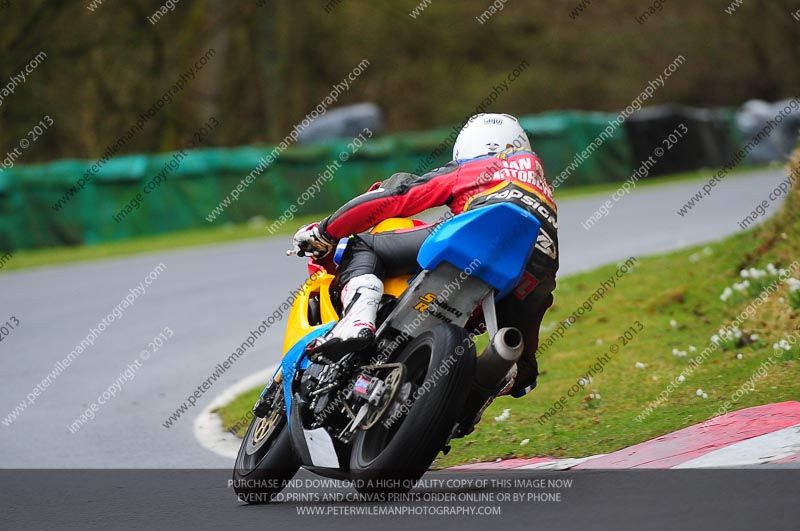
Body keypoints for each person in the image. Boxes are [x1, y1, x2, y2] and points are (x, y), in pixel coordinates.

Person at [292, 113, 558, 397]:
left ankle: (357, 320)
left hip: (470, 240)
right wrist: (526, 365)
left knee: (364, 245)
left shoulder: (483, 166)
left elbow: (398, 197)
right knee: (517, 360)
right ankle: (469, 405)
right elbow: (538, 304)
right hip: (536, 265)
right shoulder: (543, 190)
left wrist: (325, 231)